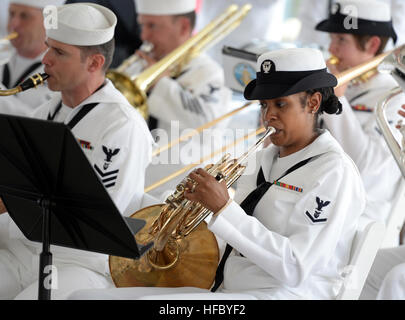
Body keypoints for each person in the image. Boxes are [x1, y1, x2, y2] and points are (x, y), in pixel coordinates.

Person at [68, 47, 367, 300]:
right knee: (85, 296)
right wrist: (171, 214)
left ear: (313, 103)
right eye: (264, 105)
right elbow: (229, 235)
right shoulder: (264, 158)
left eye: (280, 104)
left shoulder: (333, 172)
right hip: (227, 290)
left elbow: (296, 267)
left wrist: (223, 208)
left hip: (277, 295)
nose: (268, 116)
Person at [0, 2, 153, 300]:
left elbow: (93, 214)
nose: (45, 60)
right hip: (23, 253)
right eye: (48, 48)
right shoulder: (46, 110)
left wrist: (14, 197)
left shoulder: (123, 125)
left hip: (81, 266)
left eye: (59, 52)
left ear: (94, 63)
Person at [129, 0, 233, 201]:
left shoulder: (209, 72)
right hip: (134, 185)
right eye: (143, 25)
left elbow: (209, 121)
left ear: (184, 26)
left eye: (152, 26)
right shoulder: (138, 66)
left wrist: (160, 83)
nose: (144, 36)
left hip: (177, 195)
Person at [314, 0, 404, 231]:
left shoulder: (395, 96)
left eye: (341, 40)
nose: (332, 49)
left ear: (373, 44)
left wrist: (336, 102)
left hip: (358, 216)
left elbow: (365, 168)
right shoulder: (348, 82)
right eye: (332, 39)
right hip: (318, 195)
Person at [0, 0, 65, 116]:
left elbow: (43, 124)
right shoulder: (2, 56)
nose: (14, 24)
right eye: (11, 14)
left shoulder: (62, 71)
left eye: (24, 16)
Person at [297, 0, 405, 51]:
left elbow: (400, 20)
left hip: (373, 46)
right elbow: (310, 19)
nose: (331, 48)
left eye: (341, 39)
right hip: (317, 47)